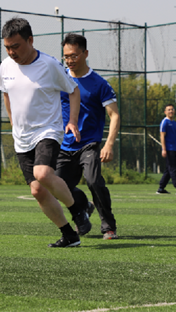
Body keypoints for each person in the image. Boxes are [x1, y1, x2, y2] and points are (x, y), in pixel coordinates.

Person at [0, 17, 91, 248]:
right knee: (37, 190)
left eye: (16, 46)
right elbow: (7, 95)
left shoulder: (49, 65)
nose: (11, 52)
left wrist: (72, 121)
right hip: (22, 138)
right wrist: (13, 123)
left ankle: (77, 211)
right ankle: (69, 235)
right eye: (7, 47)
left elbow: (73, 90)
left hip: (47, 130)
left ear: (30, 40)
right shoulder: (5, 66)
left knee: (42, 173)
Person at [55, 33, 120, 240]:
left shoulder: (99, 84)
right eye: (66, 56)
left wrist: (109, 144)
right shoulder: (60, 79)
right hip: (64, 144)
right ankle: (84, 205)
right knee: (56, 186)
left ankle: (108, 226)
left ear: (85, 54)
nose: (70, 60)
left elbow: (114, 115)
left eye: (74, 55)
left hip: (89, 144)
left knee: (93, 181)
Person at [156, 104, 176, 195]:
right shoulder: (164, 122)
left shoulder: (174, 123)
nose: (171, 111)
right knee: (173, 169)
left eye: (172, 109)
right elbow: (162, 136)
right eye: (169, 110)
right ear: (165, 112)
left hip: (173, 149)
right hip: (168, 149)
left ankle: (161, 188)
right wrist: (164, 149)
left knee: (168, 170)